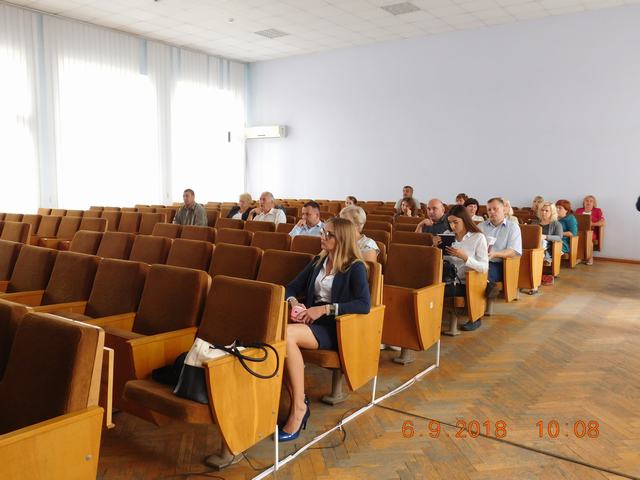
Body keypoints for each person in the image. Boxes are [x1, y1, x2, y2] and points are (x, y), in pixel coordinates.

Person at [281, 217, 371, 442]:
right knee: (278, 335)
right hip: (310, 321)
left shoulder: (355, 267)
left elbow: (364, 305)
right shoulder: (318, 261)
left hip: (334, 326)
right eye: (323, 232)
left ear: (342, 239)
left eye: (328, 234)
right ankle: (298, 401)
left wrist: (324, 310)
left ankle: (299, 407)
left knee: (285, 335)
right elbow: (291, 287)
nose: (322, 237)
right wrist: (295, 303)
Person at [443, 205, 489, 331]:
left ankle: (475, 317)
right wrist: (435, 247)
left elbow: (484, 268)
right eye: (450, 222)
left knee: (437, 291)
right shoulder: (447, 235)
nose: (452, 226)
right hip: (447, 278)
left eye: (456, 222)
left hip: (467, 282)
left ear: (465, 220)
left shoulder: (478, 237)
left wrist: (465, 258)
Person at [478, 198, 522, 297]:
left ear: (504, 210)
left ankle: (484, 295)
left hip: (500, 264)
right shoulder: (481, 226)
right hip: (481, 260)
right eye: (489, 210)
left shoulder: (513, 227)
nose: (492, 212)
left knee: (482, 272)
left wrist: (495, 254)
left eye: (495, 209)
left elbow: (513, 251)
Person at [537, 202, 563, 285]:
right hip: (535, 246)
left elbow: (559, 237)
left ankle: (539, 277)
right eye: (542, 210)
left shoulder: (556, 224)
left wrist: (545, 236)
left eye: (546, 211)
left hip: (548, 249)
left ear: (552, 212)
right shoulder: (535, 222)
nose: (543, 212)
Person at [575, 195, 605, 264]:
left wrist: (592, 224)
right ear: (584, 202)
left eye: (591, 201)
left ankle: (590, 258)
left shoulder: (597, 210)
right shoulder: (579, 210)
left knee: (588, 236)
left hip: (591, 231)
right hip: (579, 230)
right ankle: (579, 258)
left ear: (594, 203)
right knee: (578, 236)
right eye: (587, 201)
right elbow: (574, 220)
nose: (588, 202)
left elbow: (603, 222)